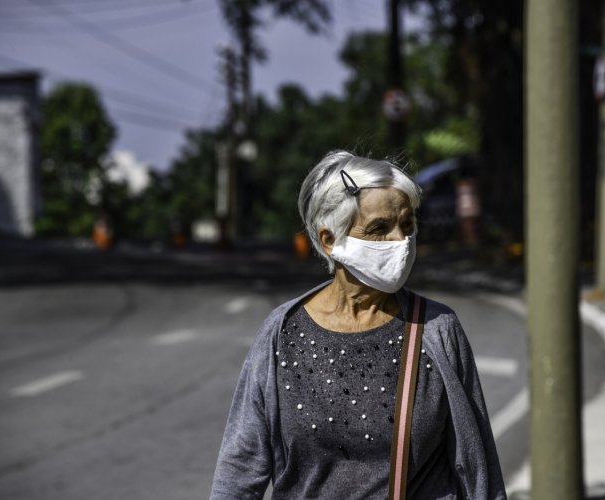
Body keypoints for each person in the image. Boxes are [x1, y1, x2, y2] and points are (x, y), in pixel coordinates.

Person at [210, 150, 507, 500]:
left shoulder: (436, 329)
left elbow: (478, 471)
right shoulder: (282, 333)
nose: (401, 241)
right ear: (329, 240)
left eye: (407, 224)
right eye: (380, 228)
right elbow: (240, 469)